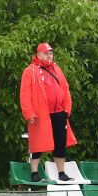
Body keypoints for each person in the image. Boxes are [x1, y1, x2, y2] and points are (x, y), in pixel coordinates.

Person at [20, 42, 77, 183]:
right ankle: (34, 172)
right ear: (38, 55)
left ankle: (61, 173)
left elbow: (65, 88)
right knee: (37, 142)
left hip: (59, 112)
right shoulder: (30, 71)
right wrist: (29, 112)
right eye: (46, 53)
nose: (49, 55)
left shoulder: (57, 69)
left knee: (60, 142)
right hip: (40, 113)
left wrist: (67, 109)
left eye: (50, 53)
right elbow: (24, 94)